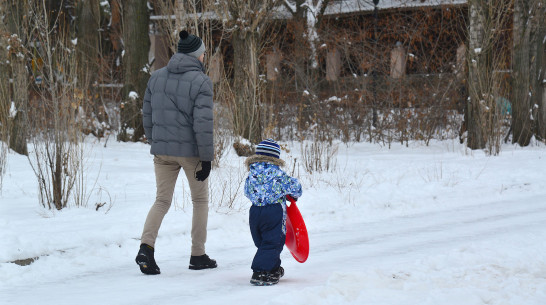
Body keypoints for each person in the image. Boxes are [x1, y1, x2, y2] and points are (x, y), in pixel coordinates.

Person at [135, 30, 216, 275]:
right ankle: (198, 255)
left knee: (161, 200)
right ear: (197, 56)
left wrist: (155, 141)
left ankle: (145, 248)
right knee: (200, 201)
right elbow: (202, 124)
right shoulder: (202, 82)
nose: (204, 58)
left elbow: (146, 116)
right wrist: (207, 158)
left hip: (163, 152)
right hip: (191, 152)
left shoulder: (156, 78)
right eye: (203, 54)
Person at [244, 139, 302, 285]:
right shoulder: (278, 174)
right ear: (275, 157)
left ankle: (273, 268)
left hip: (255, 211)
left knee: (263, 242)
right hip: (273, 211)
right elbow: (296, 187)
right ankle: (260, 273)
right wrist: (291, 195)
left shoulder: (251, 173)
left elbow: (247, 191)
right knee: (273, 242)